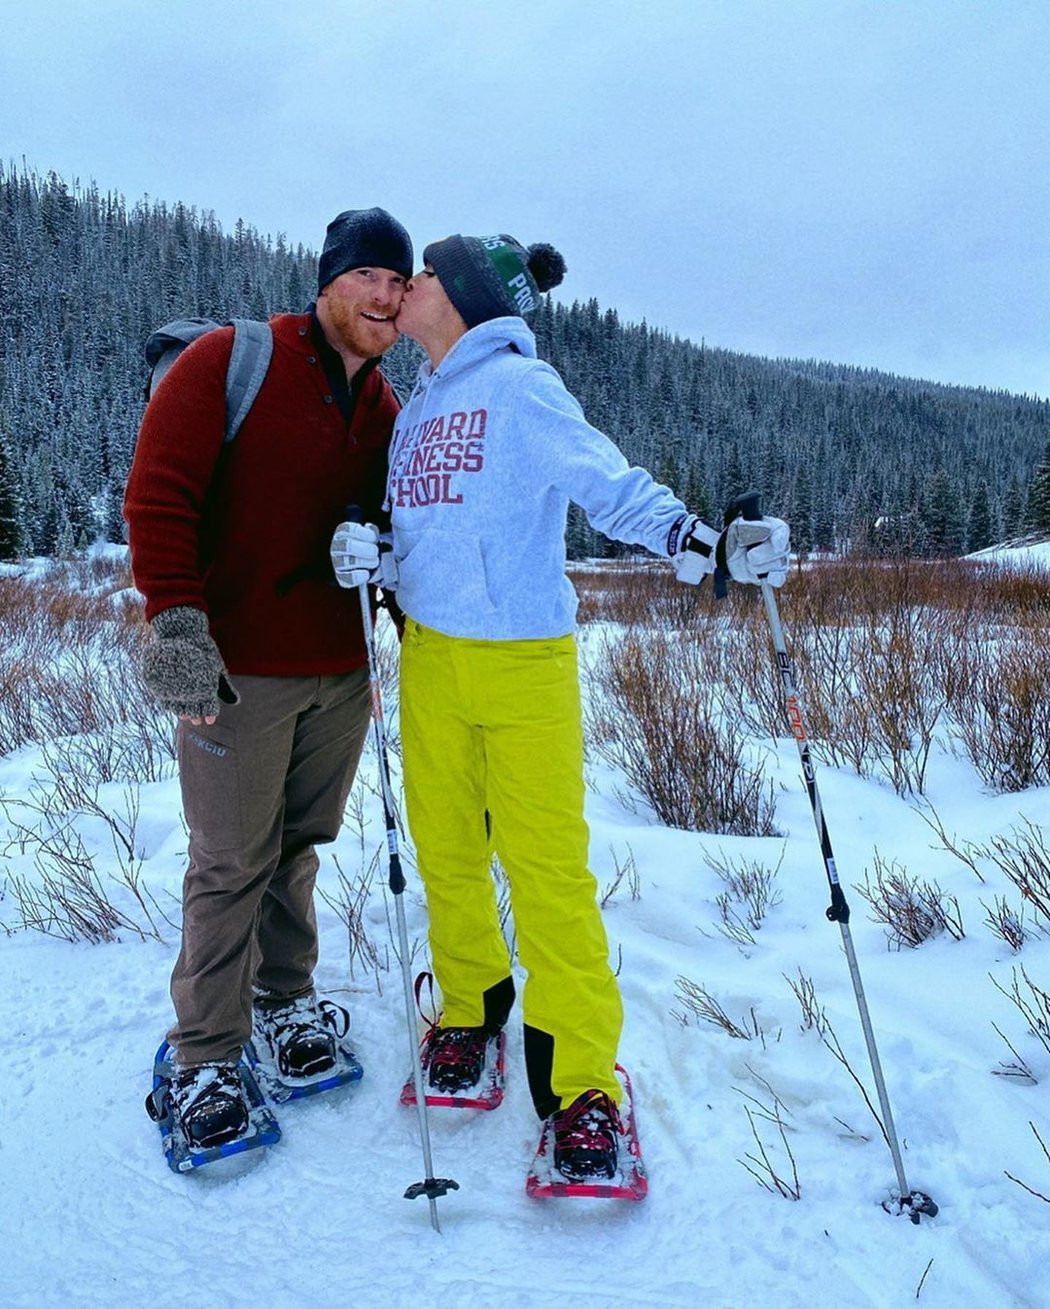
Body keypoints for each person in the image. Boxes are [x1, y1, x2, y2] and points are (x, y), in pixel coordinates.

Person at [330, 231, 791, 1185]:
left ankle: (580, 1081)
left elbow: (606, 485)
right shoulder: (417, 408)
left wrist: (697, 540)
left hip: (522, 662)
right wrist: (372, 548)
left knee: (545, 868)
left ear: (455, 295)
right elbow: (418, 525)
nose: (405, 284)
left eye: (422, 274)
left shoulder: (521, 389)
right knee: (447, 847)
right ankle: (467, 1008)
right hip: (429, 660)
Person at [124, 207, 413, 1151]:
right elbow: (158, 491)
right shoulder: (232, 361)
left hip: (338, 674)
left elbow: (401, 534)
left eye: (399, 280)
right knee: (230, 858)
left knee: (295, 848)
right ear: (327, 281)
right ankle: (206, 1052)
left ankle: (286, 1004)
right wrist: (176, 626)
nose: (384, 293)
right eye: (367, 273)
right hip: (238, 673)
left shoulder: (383, 408)